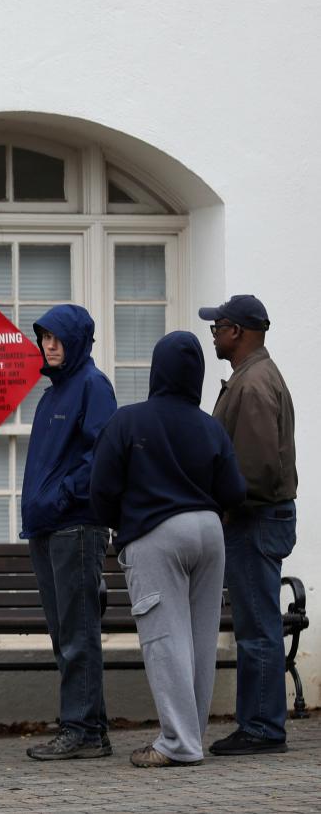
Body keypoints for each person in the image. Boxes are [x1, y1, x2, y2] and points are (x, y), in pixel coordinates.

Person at [90, 331, 246, 767]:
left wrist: (123, 522)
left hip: (155, 534)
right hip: (209, 533)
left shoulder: (128, 421)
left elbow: (100, 490)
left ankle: (178, 744)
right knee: (198, 640)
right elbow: (234, 490)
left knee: (165, 637)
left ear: (156, 370)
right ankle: (189, 736)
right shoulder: (209, 426)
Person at [198, 294, 299, 756]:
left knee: (257, 627)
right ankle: (259, 723)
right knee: (258, 624)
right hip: (258, 518)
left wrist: (222, 499)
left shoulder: (253, 383)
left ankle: (261, 727)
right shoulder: (253, 376)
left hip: (254, 519)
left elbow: (256, 470)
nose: (214, 335)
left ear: (237, 331)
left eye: (217, 327)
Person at [18, 305, 117, 760]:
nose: (49, 345)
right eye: (44, 337)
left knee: (77, 633)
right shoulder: (52, 393)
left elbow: (101, 456)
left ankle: (80, 729)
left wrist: (61, 497)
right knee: (67, 633)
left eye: (57, 337)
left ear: (77, 340)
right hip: (48, 527)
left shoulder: (93, 386)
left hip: (75, 526)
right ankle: (90, 729)